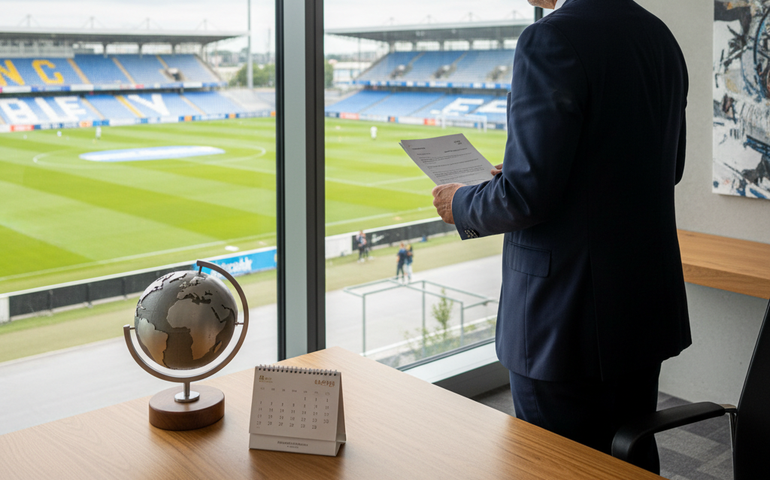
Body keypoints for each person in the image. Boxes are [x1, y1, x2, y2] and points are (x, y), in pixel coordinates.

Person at [431, 0, 691, 474]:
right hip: (640, 307)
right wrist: (520, 175)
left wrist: (462, 203)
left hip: (564, 319)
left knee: (555, 465)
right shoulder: (659, 37)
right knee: (628, 457)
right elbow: (665, 169)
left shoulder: (549, 38)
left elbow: (526, 198)